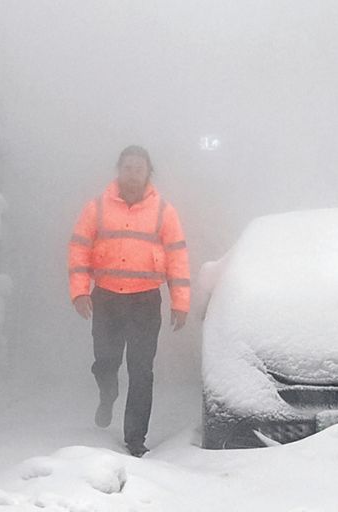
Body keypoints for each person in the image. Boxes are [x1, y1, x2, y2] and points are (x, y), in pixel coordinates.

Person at [67, 145, 190, 457]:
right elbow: (79, 249)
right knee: (106, 361)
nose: (133, 173)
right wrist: (79, 291)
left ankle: (135, 438)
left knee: (141, 370)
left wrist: (180, 301)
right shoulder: (96, 208)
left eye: (139, 168)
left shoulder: (164, 211)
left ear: (149, 172)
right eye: (127, 167)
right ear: (118, 170)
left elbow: (177, 257)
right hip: (106, 298)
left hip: (145, 302)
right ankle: (108, 391)